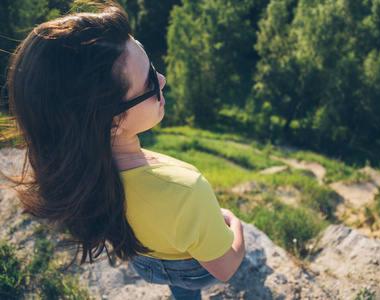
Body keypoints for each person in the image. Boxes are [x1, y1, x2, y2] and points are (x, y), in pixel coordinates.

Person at [6, 2, 245, 299]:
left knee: (178, 288)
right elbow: (225, 268)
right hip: (191, 268)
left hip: (144, 262)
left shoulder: (80, 179)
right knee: (188, 285)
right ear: (111, 122)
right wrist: (235, 223)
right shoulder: (186, 189)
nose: (162, 80)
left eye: (153, 68)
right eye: (149, 81)